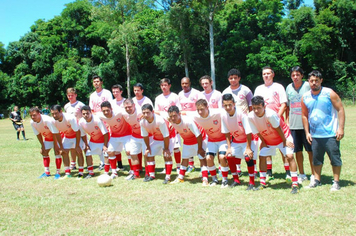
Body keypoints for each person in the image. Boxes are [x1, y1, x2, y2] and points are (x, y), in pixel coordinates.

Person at [301, 70, 345, 191]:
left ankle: (336, 182)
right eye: (311, 81)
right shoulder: (305, 97)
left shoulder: (329, 93)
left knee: (335, 158)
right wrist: (307, 132)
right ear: (308, 82)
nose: (314, 83)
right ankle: (316, 180)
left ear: (321, 80)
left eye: (316, 80)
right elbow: (304, 115)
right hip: (315, 135)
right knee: (316, 159)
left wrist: (340, 128)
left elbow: (340, 109)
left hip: (331, 133)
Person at [246, 96, 299, 194]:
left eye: (259, 107)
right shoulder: (250, 116)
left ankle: (295, 183)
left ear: (264, 106)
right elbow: (256, 131)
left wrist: (285, 141)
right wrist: (264, 142)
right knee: (262, 156)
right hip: (268, 140)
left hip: (283, 136)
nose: (256, 110)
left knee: (290, 156)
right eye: (254, 108)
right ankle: (262, 182)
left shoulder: (270, 114)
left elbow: (278, 128)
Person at [254, 66, 290, 181]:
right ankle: (269, 172)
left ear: (273, 74)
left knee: (283, 147)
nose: (266, 75)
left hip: (277, 122)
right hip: (263, 123)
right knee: (266, 146)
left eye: (268, 73)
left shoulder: (278, 87)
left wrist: (276, 118)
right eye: (264, 74)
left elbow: (284, 104)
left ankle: (288, 172)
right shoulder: (259, 89)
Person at [187, 99, 228, 187]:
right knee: (208, 158)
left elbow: (229, 111)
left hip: (222, 139)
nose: (200, 112)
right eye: (198, 110)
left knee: (222, 157)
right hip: (211, 140)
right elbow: (183, 113)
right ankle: (214, 179)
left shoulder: (217, 113)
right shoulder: (195, 116)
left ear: (207, 107)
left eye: (202, 109)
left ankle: (225, 180)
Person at [165, 105, 209, 186]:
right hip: (187, 140)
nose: (173, 118)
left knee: (202, 158)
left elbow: (198, 135)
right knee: (184, 159)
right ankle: (180, 178)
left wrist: (200, 148)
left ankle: (205, 179)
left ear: (179, 114)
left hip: (199, 138)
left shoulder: (188, 121)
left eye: (175, 115)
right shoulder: (171, 120)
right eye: (171, 116)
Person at [222, 68, 255, 177]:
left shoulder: (245, 90)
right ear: (228, 79)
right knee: (234, 145)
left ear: (239, 78)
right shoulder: (225, 92)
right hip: (232, 121)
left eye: (235, 78)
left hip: (244, 120)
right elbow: (223, 108)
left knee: (248, 145)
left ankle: (253, 171)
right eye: (231, 78)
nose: (233, 80)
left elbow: (251, 105)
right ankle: (238, 169)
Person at [286, 67, 314, 184]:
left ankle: (314, 174)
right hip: (293, 125)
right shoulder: (288, 88)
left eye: (297, 75)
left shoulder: (308, 86)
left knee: (310, 151)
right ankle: (301, 174)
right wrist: (287, 121)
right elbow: (287, 106)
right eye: (293, 75)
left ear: (302, 75)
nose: (295, 77)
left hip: (307, 125)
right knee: (297, 151)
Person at [221, 94, 256, 190]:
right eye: (225, 105)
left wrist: (248, 148)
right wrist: (228, 148)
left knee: (248, 158)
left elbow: (249, 133)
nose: (228, 107)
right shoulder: (223, 115)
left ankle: (252, 182)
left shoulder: (241, 114)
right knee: (228, 155)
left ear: (234, 104)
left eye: (230, 105)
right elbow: (227, 133)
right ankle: (236, 180)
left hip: (248, 140)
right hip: (236, 141)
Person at [97, 101, 132, 179]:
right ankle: (114, 172)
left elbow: (130, 113)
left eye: (107, 110)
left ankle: (132, 170)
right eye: (104, 111)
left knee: (129, 151)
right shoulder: (100, 115)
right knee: (110, 151)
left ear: (111, 109)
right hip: (115, 135)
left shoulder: (119, 112)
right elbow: (93, 116)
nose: (106, 112)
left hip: (126, 134)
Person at [140, 104, 174, 184]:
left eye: (148, 112)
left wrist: (166, 148)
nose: (146, 115)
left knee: (167, 155)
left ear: (152, 112)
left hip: (168, 138)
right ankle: (152, 175)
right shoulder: (142, 122)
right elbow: (145, 136)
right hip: (157, 138)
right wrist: (148, 147)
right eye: (144, 113)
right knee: (149, 154)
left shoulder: (159, 120)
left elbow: (166, 135)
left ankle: (168, 176)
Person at [154, 78, 182, 174]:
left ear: (169, 85)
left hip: (173, 124)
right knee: (165, 147)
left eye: (165, 85)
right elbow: (156, 112)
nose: (164, 87)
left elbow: (179, 111)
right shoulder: (158, 98)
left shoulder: (174, 96)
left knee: (176, 147)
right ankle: (167, 167)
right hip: (163, 125)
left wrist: (175, 124)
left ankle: (178, 167)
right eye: (162, 85)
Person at [50, 105, 85, 179]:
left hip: (76, 136)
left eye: (56, 113)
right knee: (63, 152)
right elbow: (57, 134)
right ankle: (67, 173)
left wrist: (77, 145)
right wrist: (61, 147)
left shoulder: (70, 118)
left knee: (79, 152)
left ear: (61, 111)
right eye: (52, 113)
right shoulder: (52, 121)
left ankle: (81, 173)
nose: (54, 115)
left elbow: (77, 132)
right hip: (67, 137)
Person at [178, 77, 204, 173]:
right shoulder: (180, 94)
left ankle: (204, 165)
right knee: (188, 141)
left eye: (186, 83)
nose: (184, 85)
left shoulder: (197, 93)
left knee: (198, 141)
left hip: (195, 120)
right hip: (185, 122)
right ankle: (191, 164)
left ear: (190, 83)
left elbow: (201, 107)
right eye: (183, 84)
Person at [29, 107, 62, 179]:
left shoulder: (47, 120)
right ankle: (47, 172)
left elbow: (54, 132)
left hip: (56, 137)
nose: (32, 117)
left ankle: (58, 172)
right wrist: (42, 145)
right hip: (48, 138)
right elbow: (38, 134)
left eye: (34, 115)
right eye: (31, 115)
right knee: (43, 152)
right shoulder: (32, 122)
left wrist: (56, 145)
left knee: (57, 152)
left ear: (39, 114)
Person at [78, 106, 109, 179]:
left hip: (103, 139)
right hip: (94, 140)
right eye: (84, 114)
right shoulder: (81, 122)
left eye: (87, 113)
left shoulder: (97, 120)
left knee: (106, 153)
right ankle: (91, 172)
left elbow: (105, 133)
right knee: (88, 153)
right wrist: (86, 144)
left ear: (91, 113)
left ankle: (106, 172)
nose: (86, 115)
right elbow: (83, 135)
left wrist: (105, 145)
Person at [88, 75, 112, 169]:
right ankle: (103, 162)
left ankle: (110, 163)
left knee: (108, 142)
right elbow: (91, 109)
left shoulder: (107, 93)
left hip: (106, 120)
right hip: (97, 122)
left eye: (98, 81)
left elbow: (110, 106)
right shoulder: (92, 95)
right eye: (94, 82)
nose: (96, 83)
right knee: (99, 141)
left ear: (101, 82)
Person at [122, 98, 145, 180]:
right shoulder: (123, 114)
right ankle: (136, 174)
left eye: (129, 107)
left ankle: (148, 174)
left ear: (134, 105)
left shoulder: (141, 112)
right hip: (135, 135)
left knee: (147, 155)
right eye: (126, 107)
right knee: (132, 153)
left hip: (145, 135)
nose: (128, 109)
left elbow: (153, 113)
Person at [64, 87, 86, 170]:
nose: (70, 97)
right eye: (69, 95)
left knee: (83, 146)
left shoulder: (80, 105)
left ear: (75, 95)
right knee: (72, 147)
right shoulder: (66, 106)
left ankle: (87, 163)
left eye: (72, 95)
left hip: (80, 128)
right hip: (71, 129)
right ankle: (73, 164)